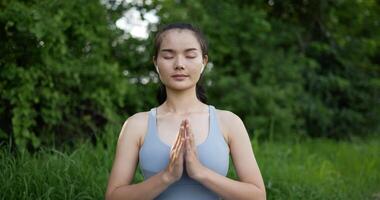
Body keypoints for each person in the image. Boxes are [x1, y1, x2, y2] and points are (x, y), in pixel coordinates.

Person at [105, 23, 266, 200]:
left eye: (190, 55)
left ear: (204, 62)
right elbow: (113, 196)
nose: (179, 64)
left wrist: (201, 173)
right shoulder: (136, 125)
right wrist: (167, 176)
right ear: (156, 63)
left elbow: (257, 196)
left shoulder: (229, 122)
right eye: (168, 56)